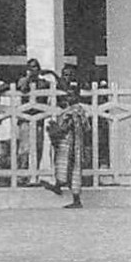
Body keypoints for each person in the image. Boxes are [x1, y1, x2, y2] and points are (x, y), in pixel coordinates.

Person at [41, 78, 90, 209]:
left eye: (72, 94)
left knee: (70, 168)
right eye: (68, 94)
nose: (69, 97)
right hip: (71, 144)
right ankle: (59, 186)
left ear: (77, 96)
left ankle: (74, 198)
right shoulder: (77, 110)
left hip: (71, 145)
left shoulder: (73, 111)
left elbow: (66, 127)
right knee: (66, 167)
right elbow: (86, 128)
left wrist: (54, 129)